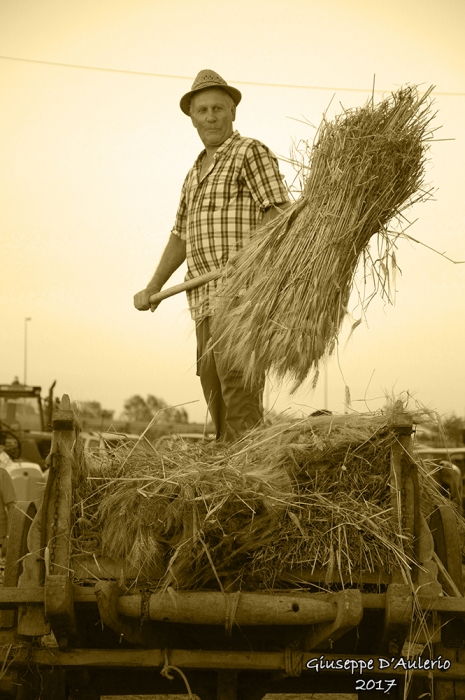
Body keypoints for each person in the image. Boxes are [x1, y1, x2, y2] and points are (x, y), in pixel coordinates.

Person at [134, 70, 289, 441]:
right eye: (202, 110)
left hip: (241, 294)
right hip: (203, 301)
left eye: (218, 107)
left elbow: (279, 212)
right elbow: (180, 236)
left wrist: (249, 258)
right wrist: (153, 285)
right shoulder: (193, 174)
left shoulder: (250, 152)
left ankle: (248, 468)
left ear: (233, 111)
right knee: (214, 387)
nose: (210, 116)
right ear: (191, 117)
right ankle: (228, 461)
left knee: (238, 385)